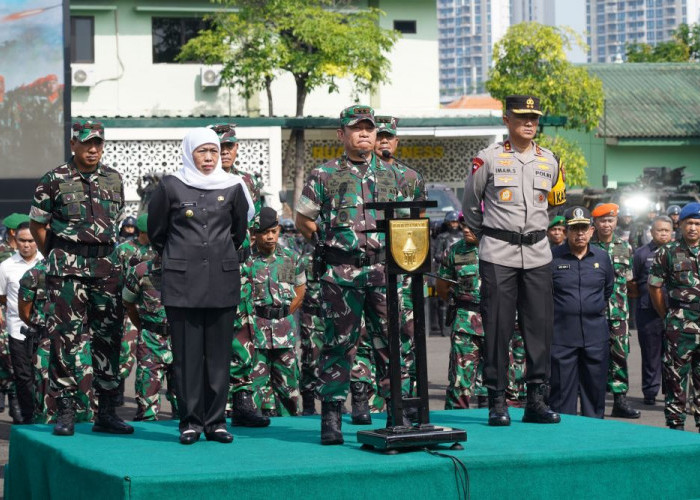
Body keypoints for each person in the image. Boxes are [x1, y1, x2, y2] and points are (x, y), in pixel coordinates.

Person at [295, 104, 409, 445]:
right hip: (341, 273)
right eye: (356, 128)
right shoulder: (324, 175)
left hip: (384, 272)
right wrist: (328, 244)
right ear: (341, 134)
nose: (364, 133)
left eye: (369, 129)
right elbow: (304, 219)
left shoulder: (396, 176)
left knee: (391, 344)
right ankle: (332, 416)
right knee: (337, 345)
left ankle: (395, 412)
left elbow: (408, 222)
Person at [462, 94, 564, 426]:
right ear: (507, 120)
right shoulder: (487, 159)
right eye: (522, 117)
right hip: (498, 254)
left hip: (537, 254)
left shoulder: (550, 161)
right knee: (497, 327)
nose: (530, 123)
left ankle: (535, 398)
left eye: (534, 117)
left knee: (539, 328)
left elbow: (552, 205)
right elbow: (470, 205)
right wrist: (487, 235)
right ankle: (497, 400)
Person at [148, 127, 252, 445]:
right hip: (182, 282)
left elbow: (238, 231)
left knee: (219, 355)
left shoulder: (234, 186)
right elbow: (157, 231)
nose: (208, 158)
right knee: (187, 356)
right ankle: (190, 421)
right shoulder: (170, 186)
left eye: (213, 151)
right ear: (189, 152)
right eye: (202, 151)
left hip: (222, 279)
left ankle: (216, 421)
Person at [29, 120, 132, 437]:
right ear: (73, 144)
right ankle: (65, 411)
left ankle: (106, 412)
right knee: (65, 342)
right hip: (68, 270)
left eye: (98, 143)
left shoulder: (114, 180)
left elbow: (113, 222)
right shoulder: (54, 180)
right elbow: (37, 226)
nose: (93, 149)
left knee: (109, 339)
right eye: (87, 143)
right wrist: (58, 256)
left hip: (106, 268)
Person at [209, 122, 269, 429]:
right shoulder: (198, 179)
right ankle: (212, 404)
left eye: (229, 146)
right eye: (218, 147)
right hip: (208, 269)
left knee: (244, 332)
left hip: (241, 267)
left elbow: (256, 224)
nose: (224, 152)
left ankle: (244, 399)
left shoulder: (248, 180)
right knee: (210, 333)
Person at [550, 207, 614, 418]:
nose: (580, 233)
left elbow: (607, 290)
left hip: (595, 336)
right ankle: (564, 443)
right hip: (562, 336)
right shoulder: (552, 258)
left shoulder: (603, 258)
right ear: (566, 231)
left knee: (595, 395)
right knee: (561, 396)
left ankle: (594, 441)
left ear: (592, 231)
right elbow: (544, 295)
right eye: (574, 228)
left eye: (584, 228)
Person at [248, 207, 305, 416]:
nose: (270, 236)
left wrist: (279, 317)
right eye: (265, 232)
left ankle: (288, 431)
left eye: (274, 231)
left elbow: (299, 293)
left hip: (284, 334)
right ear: (255, 233)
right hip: (256, 334)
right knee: (255, 387)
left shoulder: (290, 258)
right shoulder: (246, 261)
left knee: (288, 389)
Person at [648, 202, 700, 431]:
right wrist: (668, 315)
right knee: (675, 381)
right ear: (680, 225)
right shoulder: (667, 252)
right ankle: (676, 431)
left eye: (697, 224)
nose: (693, 228)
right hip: (679, 329)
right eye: (689, 223)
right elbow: (654, 288)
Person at [590, 203, 640, 419]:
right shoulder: (588, 245)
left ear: (616, 221)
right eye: (602, 220)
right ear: (595, 222)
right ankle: (595, 402)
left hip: (619, 313)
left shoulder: (625, 247)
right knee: (594, 357)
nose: (606, 224)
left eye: (610, 220)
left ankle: (620, 401)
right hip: (594, 312)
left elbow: (630, 281)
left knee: (620, 355)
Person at [122, 249, 177, 421]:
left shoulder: (193, 270)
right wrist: (145, 328)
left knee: (186, 405)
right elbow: (128, 304)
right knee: (146, 406)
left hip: (182, 341)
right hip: (151, 341)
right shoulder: (140, 271)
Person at [0, 222, 43, 423]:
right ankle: (28, 418)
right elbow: (2, 298)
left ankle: (45, 415)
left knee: (43, 376)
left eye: (30, 240)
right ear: (15, 241)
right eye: (22, 241)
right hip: (17, 330)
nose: (26, 245)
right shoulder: (6, 267)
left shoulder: (47, 263)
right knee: (23, 376)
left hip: (44, 331)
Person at [437, 224, 483, 409]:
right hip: (466, 323)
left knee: (497, 383)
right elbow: (442, 287)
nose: (465, 229)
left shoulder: (500, 248)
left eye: (471, 225)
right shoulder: (454, 251)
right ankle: (455, 427)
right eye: (464, 225)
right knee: (460, 382)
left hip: (498, 322)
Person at [632, 215, 673, 406]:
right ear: (651, 232)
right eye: (659, 230)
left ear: (672, 232)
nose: (663, 234)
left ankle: (672, 391)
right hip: (648, 311)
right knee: (650, 353)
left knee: (673, 354)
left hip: (675, 311)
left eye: (666, 230)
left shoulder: (680, 252)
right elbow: (632, 282)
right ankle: (650, 391)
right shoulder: (641, 254)